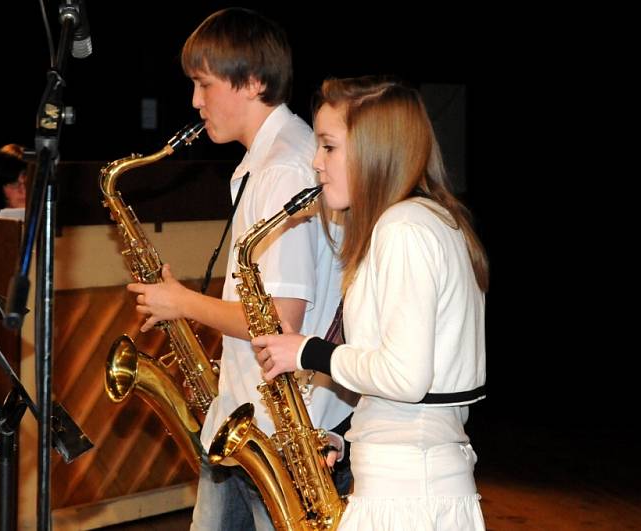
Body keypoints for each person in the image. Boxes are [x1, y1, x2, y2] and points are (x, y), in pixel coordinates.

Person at [126, 8, 355, 530]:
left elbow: (280, 321)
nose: (195, 101)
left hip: (281, 439)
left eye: (204, 84)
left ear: (252, 82)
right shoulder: (272, 160)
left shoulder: (282, 170)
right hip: (248, 422)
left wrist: (181, 303)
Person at [252, 77, 489, 529]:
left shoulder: (403, 228)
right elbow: (425, 394)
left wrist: (306, 351)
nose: (316, 162)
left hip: (407, 497)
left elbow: (406, 378)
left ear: (374, 148)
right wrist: (352, 437)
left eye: (328, 146)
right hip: (415, 480)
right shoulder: (429, 220)